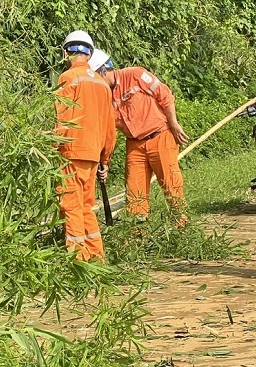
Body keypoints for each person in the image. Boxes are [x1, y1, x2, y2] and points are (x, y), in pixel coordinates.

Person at [88, 50, 189, 223]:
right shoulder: (102, 96)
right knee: (135, 194)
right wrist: (103, 162)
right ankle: (137, 235)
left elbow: (165, 96)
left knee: (172, 186)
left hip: (161, 136)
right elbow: (106, 132)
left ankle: (182, 226)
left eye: (97, 78)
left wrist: (174, 123)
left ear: (104, 71)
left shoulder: (136, 75)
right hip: (134, 145)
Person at [54, 31, 116, 261]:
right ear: (89, 54)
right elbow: (110, 129)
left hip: (71, 152)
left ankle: (78, 261)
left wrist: (50, 146)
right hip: (93, 155)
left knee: (71, 205)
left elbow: (63, 119)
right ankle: (96, 256)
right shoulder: (102, 84)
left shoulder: (68, 79)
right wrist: (105, 160)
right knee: (87, 206)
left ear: (66, 52)